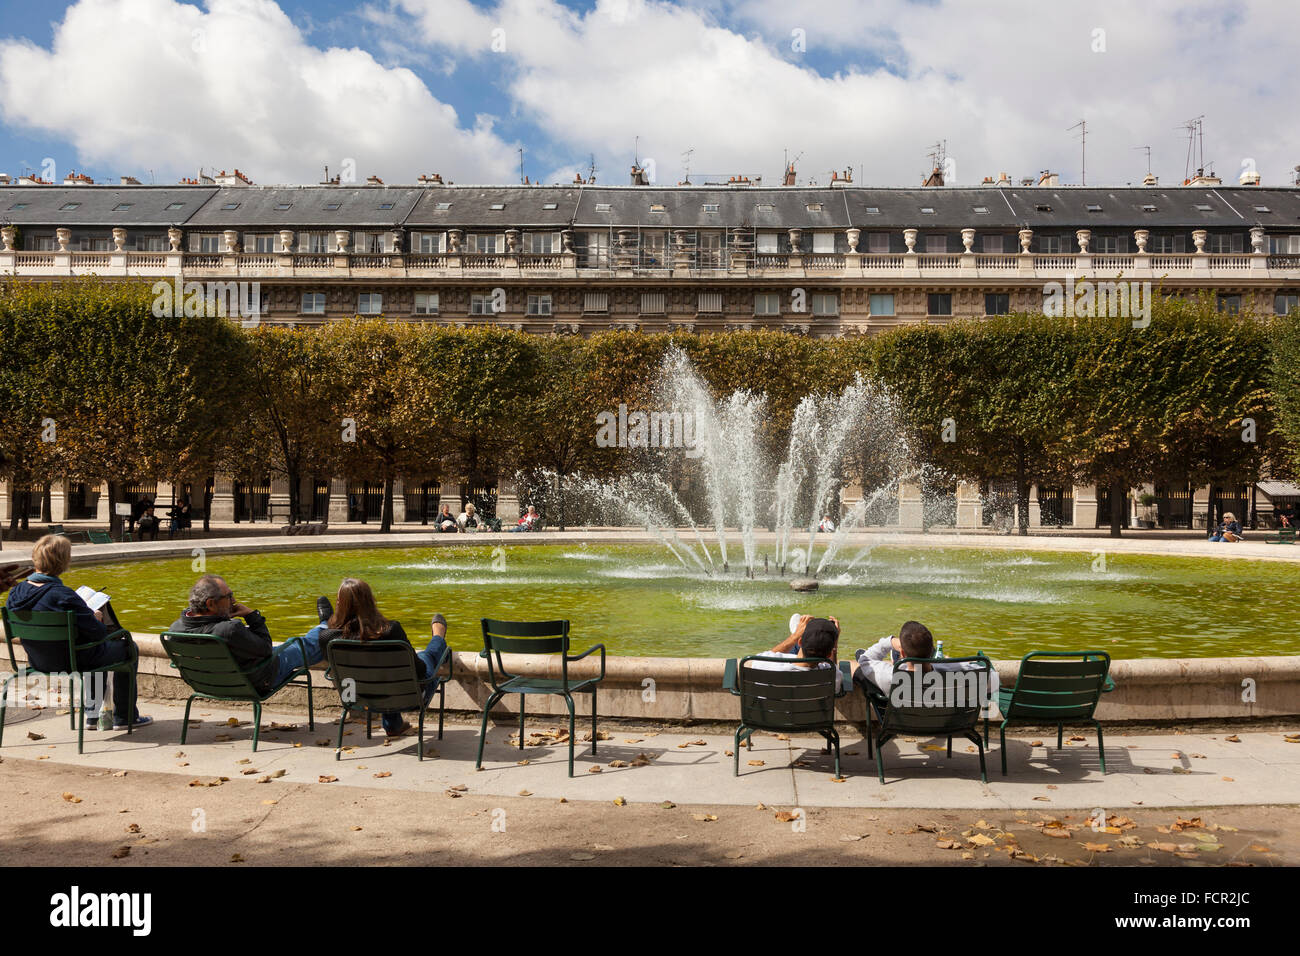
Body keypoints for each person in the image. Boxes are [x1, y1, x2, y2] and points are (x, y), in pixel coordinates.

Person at [3, 535, 150, 728]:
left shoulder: (15, 592)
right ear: (64, 562)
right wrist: (96, 617)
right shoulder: (63, 595)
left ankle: (93, 716)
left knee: (90, 648)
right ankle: (125, 717)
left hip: (38, 660)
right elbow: (98, 633)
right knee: (129, 648)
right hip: (71, 661)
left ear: (35, 558)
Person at [315, 578, 448, 737]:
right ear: (370, 602)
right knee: (427, 656)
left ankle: (393, 725)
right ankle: (439, 636)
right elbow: (419, 671)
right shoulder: (391, 631)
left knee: (380, 675)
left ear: (339, 604)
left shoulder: (327, 638)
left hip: (355, 697)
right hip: (410, 699)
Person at [167, 575, 327, 694]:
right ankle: (327, 626)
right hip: (256, 682)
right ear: (210, 604)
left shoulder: (175, 630)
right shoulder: (229, 630)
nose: (234, 600)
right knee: (299, 645)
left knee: (296, 645)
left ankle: (327, 629)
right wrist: (252, 615)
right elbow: (266, 649)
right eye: (228, 596)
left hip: (205, 686)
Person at [852, 619, 998, 703]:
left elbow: (865, 659)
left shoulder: (890, 676)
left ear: (902, 652)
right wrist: (949, 663)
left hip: (904, 724)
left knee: (859, 661)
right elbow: (993, 678)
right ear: (932, 652)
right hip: (948, 725)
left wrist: (890, 641)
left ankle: (898, 658)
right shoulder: (957, 675)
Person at [747, 615, 843, 692]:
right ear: (828, 654)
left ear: (800, 641)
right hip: (808, 711)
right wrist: (834, 646)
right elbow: (833, 668)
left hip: (770, 711)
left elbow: (760, 658)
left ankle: (796, 635)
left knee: (796, 650)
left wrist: (794, 637)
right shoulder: (832, 677)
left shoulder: (765, 667)